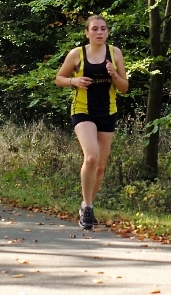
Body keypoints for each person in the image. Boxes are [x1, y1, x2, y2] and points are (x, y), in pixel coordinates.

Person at [54, 15, 128, 230]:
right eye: (94, 29)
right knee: (91, 156)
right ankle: (87, 209)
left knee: (101, 166)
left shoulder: (115, 54)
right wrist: (74, 81)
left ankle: (88, 205)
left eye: (103, 29)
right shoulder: (77, 54)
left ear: (107, 32)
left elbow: (124, 88)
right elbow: (59, 79)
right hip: (82, 111)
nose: (99, 32)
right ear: (87, 33)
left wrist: (114, 74)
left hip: (107, 111)